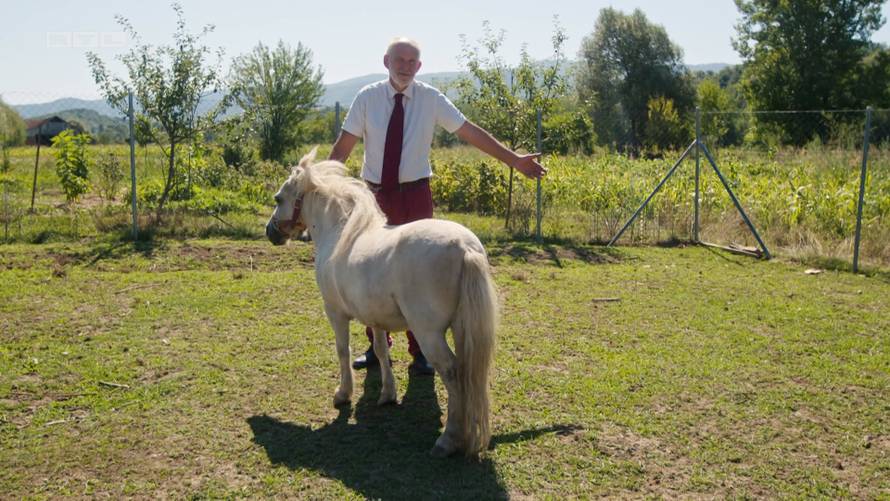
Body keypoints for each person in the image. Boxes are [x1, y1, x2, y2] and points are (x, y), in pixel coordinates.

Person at [329, 37, 546, 376]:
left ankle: (422, 351)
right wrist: (326, 186)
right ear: (386, 62)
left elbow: (470, 132)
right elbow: (343, 147)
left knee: (418, 271)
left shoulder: (431, 99)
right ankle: (377, 347)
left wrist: (513, 160)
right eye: (399, 60)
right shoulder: (366, 98)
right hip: (375, 198)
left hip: (415, 194)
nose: (405, 66)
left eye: (411, 61)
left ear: (419, 66)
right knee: (372, 270)